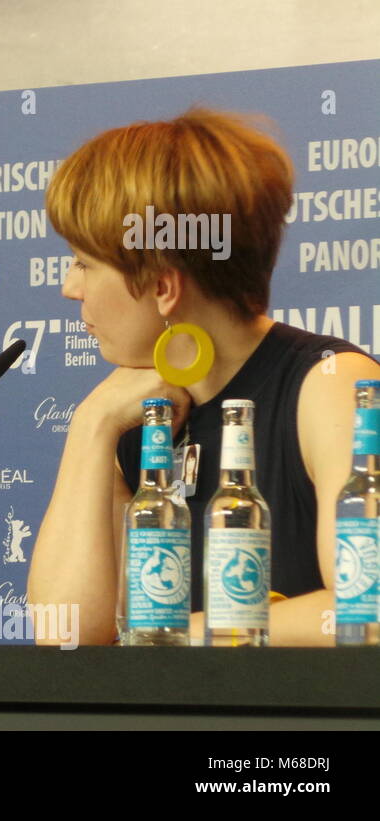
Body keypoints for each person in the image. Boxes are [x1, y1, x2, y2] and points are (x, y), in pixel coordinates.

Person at [27, 109, 380, 647]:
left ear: (164, 287)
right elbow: (67, 632)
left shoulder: (330, 386)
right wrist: (91, 424)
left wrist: (171, 637)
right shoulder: (130, 416)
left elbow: (369, 614)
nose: (69, 289)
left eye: (82, 264)